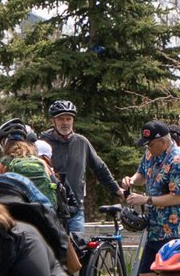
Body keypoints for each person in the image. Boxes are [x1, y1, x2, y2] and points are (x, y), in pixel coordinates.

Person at [125, 121, 180, 266]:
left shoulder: (177, 161)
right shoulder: (150, 153)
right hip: (155, 227)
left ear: (163, 141)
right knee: (147, 272)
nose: (148, 148)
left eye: (151, 144)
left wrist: (146, 199)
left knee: (176, 273)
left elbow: (176, 197)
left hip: (174, 228)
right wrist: (132, 180)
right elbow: (142, 174)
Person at [41, 101, 121, 235]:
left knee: (78, 249)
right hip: (51, 207)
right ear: (53, 121)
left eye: (68, 119)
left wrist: (117, 189)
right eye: (61, 119)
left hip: (75, 207)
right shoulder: (43, 142)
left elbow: (99, 168)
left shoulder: (81, 142)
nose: (65, 123)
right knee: (53, 252)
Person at [0, 120, 62, 209]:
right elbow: (58, 189)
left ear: (3, 143)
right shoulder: (41, 163)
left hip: (13, 217)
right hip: (43, 216)